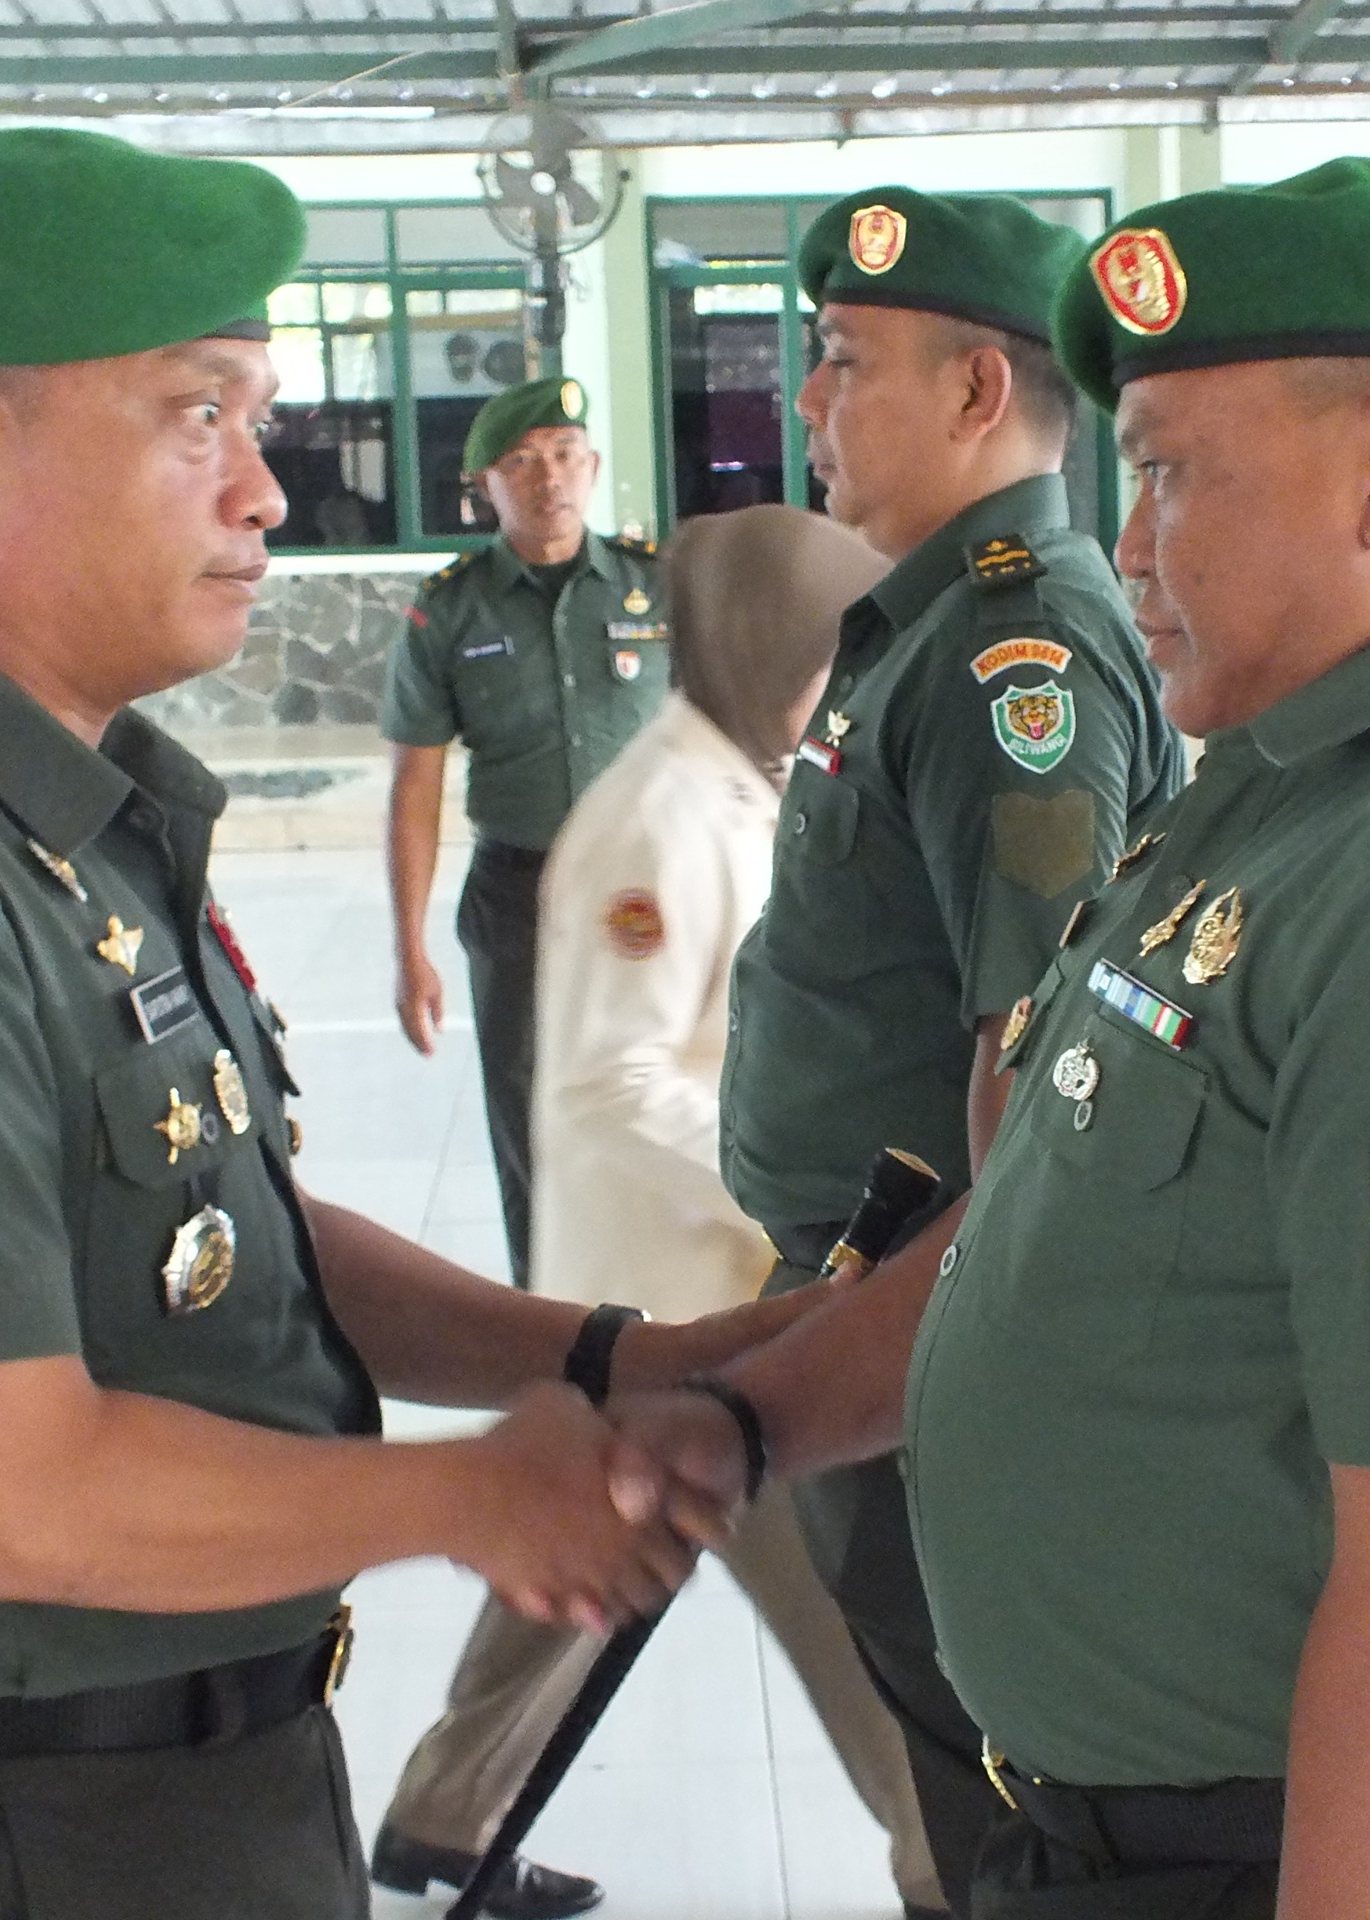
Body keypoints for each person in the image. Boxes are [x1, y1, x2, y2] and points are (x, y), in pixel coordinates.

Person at [0, 128, 803, 1920]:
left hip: (199, 1796)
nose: (266, 492)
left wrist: (600, 1360)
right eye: (203, 416)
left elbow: (227, 1238)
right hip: (26, 1847)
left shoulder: (54, 825)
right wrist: (465, 1501)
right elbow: (0, 1498)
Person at [623, 159, 1370, 1919]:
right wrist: (750, 1420)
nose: (1128, 545)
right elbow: (1050, 1221)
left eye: (1164, 474)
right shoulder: (1286, 782)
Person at [371, 505, 946, 1915]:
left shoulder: (742, 789)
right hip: (692, 1307)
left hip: (707, 1299)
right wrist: (789, 1172)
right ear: (766, 650)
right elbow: (619, 1079)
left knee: (585, 1569)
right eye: (832, 658)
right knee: (857, 1623)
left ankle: (440, 1827)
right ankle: (950, 1873)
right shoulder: (661, 816)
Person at [716, 185, 1186, 1910]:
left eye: (845, 365)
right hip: (872, 1304)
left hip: (930, 1330)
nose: (810, 404)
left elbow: (1039, 1068)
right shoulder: (925, 628)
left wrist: (975, 1384)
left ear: (981, 394)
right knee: (940, 1767)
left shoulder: (1013, 654)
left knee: (992, 1793)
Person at [381, 376, 666, 1284]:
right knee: (531, 1129)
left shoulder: (653, 586)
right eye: (520, 462)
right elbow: (416, 785)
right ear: (484, 487)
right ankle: (553, 1331)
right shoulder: (449, 610)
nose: (548, 477)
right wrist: (409, 948)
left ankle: (659, 1319)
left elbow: (720, 739)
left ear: (589, 465)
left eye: (563, 453)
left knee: (657, 1107)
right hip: (518, 898)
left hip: (643, 893)